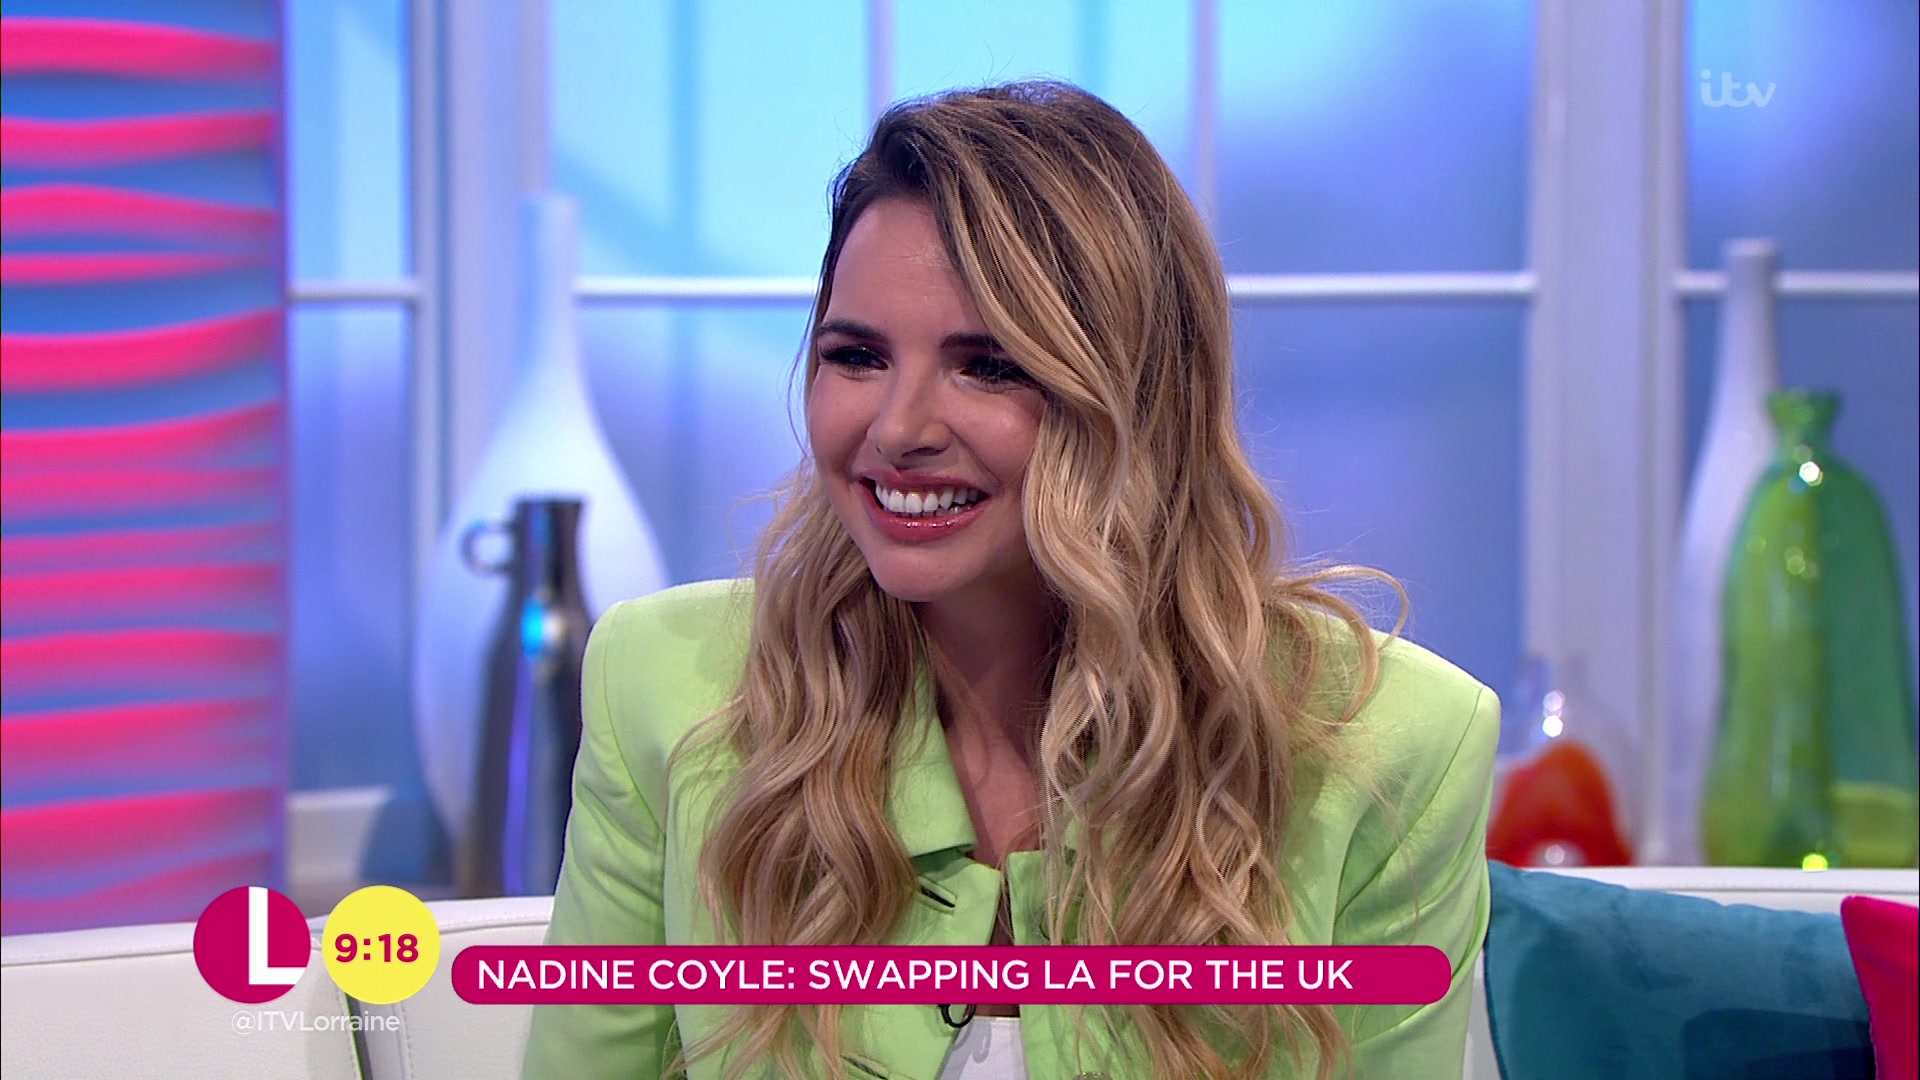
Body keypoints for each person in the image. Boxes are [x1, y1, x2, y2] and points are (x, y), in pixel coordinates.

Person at [521, 81, 1498, 1080]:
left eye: (987, 366)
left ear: (1137, 396)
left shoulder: (1391, 747)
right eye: (857, 356)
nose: (898, 429)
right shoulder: (668, 690)